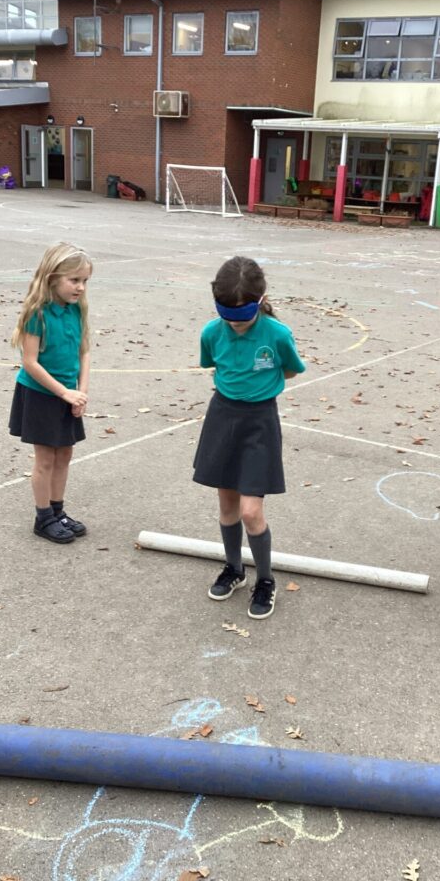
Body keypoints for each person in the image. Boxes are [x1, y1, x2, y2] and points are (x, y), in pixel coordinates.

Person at [193, 256, 306, 620]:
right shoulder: (212, 332)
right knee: (227, 505)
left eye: (242, 315)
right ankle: (234, 569)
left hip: (260, 422)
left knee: (250, 510)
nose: (235, 323)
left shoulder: (277, 334)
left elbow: (290, 370)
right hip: (222, 417)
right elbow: (213, 364)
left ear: (261, 299)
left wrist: (261, 386)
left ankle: (266, 580)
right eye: (227, 314)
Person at [9, 242, 92, 543]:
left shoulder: (76, 309)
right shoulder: (38, 314)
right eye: (74, 280)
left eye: (85, 281)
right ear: (53, 278)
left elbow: (84, 352)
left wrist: (81, 392)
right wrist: (64, 393)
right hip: (41, 394)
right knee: (45, 458)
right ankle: (43, 518)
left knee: (65, 454)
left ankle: (58, 511)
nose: (80, 287)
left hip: (68, 394)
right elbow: (30, 363)